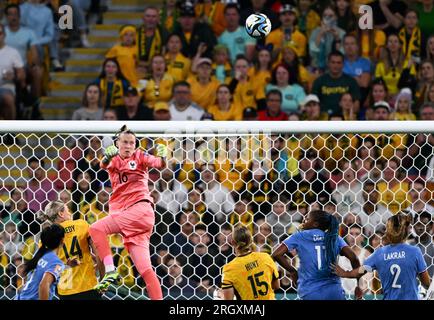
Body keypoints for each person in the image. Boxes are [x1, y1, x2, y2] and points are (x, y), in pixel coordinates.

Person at [88, 125, 167, 300]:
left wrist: (163, 155)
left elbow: (159, 163)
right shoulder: (114, 159)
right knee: (146, 270)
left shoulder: (140, 156)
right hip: (134, 222)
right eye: (125, 142)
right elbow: (104, 164)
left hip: (139, 210)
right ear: (117, 143)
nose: (129, 145)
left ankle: (110, 271)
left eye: (132, 142)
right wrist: (106, 156)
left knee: (96, 229)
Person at [333, 212, 431, 300]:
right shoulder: (414, 252)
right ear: (407, 231)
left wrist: (345, 273)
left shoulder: (380, 253)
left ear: (387, 233)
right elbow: (426, 283)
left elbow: (361, 271)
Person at [272, 210, 362, 300]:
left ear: (315, 224)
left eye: (307, 220)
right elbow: (354, 258)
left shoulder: (299, 236)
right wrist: (358, 284)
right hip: (334, 293)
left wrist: (292, 271)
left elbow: (276, 254)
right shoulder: (334, 237)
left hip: (310, 292)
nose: (303, 222)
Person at [37, 200, 104, 300]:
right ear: (61, 213)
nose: (70, 213)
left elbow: (45, 271)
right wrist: (103, 279)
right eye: (67, 210)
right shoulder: (81, 225)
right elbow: (99, 253)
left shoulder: (45, 238)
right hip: (88, 286)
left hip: (65, 292)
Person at [220, 224, 279, 300]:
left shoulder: (228, 269)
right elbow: (276, 286)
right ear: (251, 240)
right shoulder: (266, 257)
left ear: (232, 242)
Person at [16, 224, 65, 300]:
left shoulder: (40, 254)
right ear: (62, 241)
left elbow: (45, 269)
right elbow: (44, 284)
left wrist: (67, 265)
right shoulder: (56, 263)